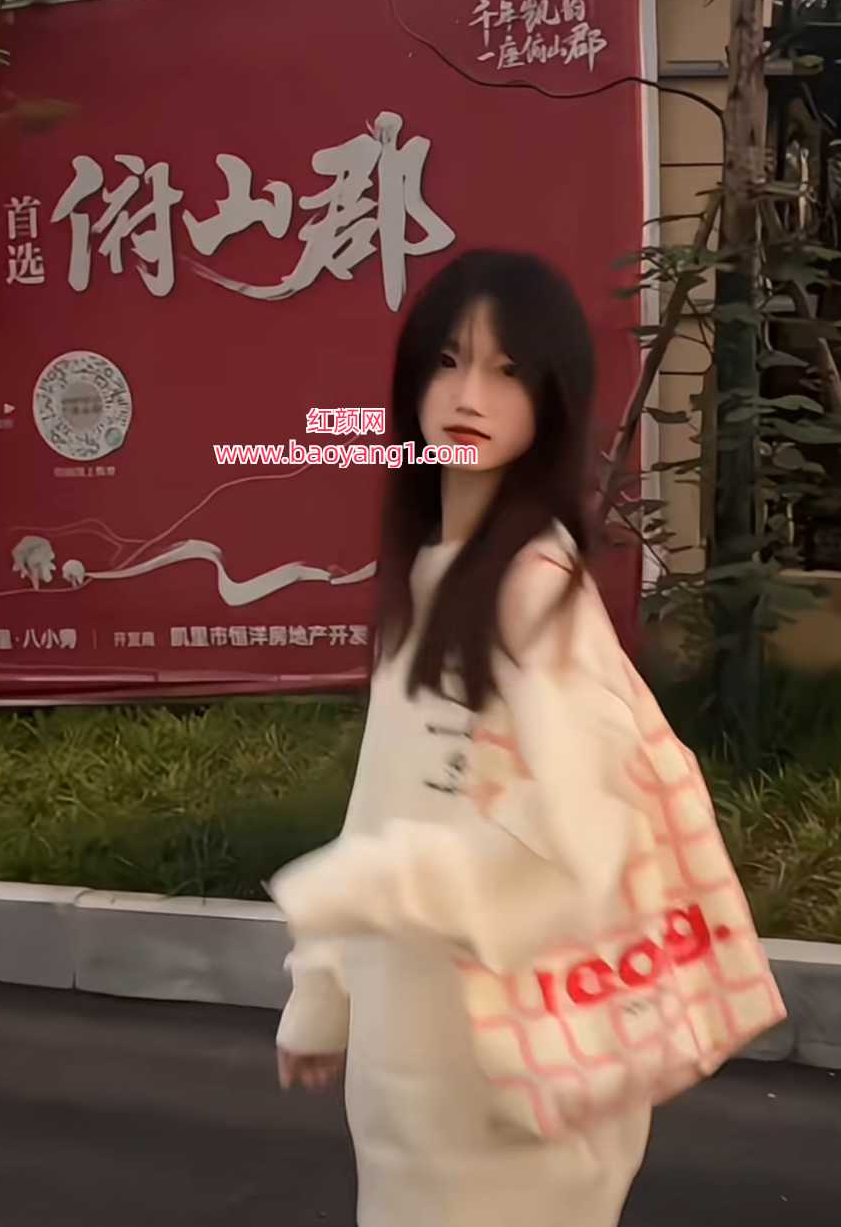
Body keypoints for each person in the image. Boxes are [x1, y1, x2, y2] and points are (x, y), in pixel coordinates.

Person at [268, 249, 653, 1227]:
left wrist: (366, 888)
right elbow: (381, 798)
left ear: (549, 401)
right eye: (447, 361)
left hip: (512, 1071)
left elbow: (578, 827)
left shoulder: (535, 591)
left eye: (506, 370)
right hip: (414, 1064)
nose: (468, 395)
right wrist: (325, 990)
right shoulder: (431, 577)